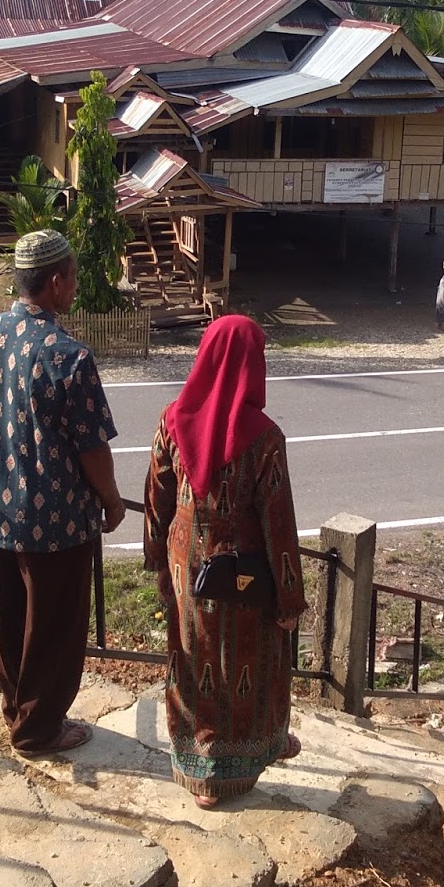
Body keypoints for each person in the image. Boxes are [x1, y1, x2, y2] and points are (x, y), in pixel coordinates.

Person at [0, 228, 126, 757]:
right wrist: (113, 501)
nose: (76, 286)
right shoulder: (69, 356)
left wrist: (3, 454)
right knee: (54, 626)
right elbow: (93, 448)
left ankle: (17, 710)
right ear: (55, 282)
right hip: (58, 523)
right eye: (73, 277)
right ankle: (39, 731)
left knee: (11, 618)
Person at [143, 315, 308, 808]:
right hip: (242, 574)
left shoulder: (172, 419)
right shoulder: (264, 437)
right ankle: (246, 756)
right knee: (248, 661)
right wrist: (289, 599)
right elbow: (279, 524)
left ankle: (199, 762)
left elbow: (157, 497)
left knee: (192, 658)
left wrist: (157, 560)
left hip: (186, 567)